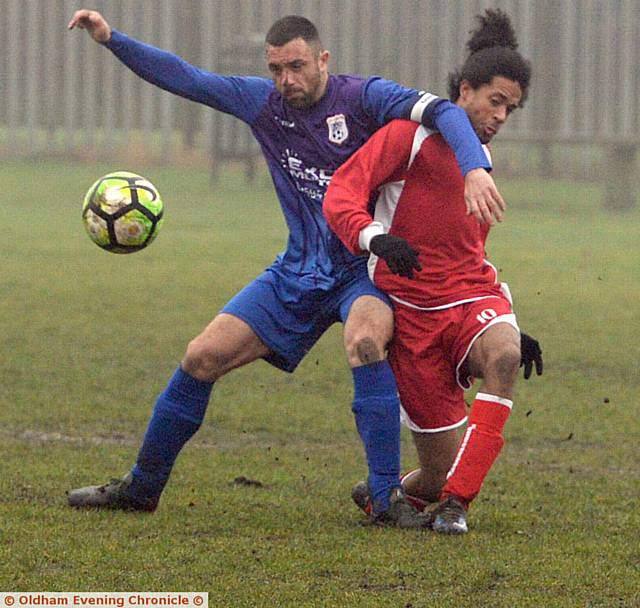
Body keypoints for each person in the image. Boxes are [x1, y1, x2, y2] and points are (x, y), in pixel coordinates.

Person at [66, 8, 510, 527]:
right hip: (297, 271)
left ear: (323, 59)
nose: (286, 80)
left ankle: (386, 497)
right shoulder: (264, 104)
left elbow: (445, 112)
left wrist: (474, 168)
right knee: (201, 356)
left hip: (364, 269)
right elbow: (187, 79)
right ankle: (141, 487)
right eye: (276, 69)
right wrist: (111, 38)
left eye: (297, 66)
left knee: (366, 341)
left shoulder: (364, 98)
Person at [323, 9, 542, 533]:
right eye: (496, 102)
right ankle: (414, 488)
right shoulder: (406, 137)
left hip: (470, 298)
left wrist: (506, 324)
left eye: (512, 109)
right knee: (440, 469)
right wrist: (377, 238)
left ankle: (455, 507)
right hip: (415, 314)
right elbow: (340, 196)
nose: (502, 117)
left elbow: (467, 249)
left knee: (506, 357)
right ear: (463, 91)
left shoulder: (480, 158)